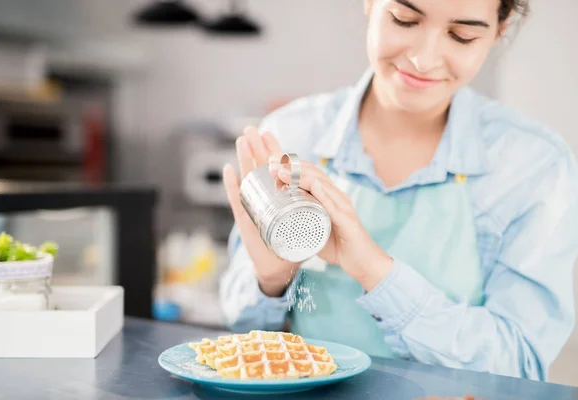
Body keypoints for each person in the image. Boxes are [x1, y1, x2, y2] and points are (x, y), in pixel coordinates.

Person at [219, 0, 578, 381]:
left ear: (498, 32)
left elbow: (520, 364)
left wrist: (375, 270)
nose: (424, 60)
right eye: (404, 20)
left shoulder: (532, 164)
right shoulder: (294, 133)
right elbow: (240, 333)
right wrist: (273, 280)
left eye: (462, 36)